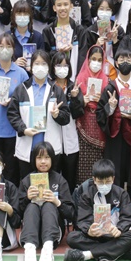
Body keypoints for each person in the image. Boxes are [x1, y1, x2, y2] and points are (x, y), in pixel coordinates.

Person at [8, 50, 70, 179]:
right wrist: (23, 129)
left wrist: (57, 115)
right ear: (31, 66)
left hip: (50, 150)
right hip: (28, 149)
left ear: (49, 67)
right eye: (37, 63)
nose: (40, 67)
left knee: (50, 186)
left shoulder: (56, 90)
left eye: (44, 63)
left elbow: (66, 117)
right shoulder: (22, 89)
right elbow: (12, 114)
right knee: (28, 186)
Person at [64, 159, 131, 261]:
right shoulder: (86, 195)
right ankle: (122, 252)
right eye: (100, 181)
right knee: (72, 238)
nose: (104, 185)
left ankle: (87, 255)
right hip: (94, 237)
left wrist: (119, 229)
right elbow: (83, 219)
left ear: (113, 179)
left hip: (114, 236)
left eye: (107, 181)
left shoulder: (121, 194)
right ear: (94, 180)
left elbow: (128, 217)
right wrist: (89, 230)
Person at [96, 49, 131, 205]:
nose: (125, 62)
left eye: (129, 59)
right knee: (114, 173)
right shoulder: (110, 88)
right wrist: (111, 108)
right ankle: (114, 208)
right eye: (122, 59)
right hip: (115, 138)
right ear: (116, 63)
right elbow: (99, 114)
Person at [0, 33, 30, 185]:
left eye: (8, 46)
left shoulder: (21, 73)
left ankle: (10, 198)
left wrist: (12, 102)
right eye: (1, 46)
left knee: (11, 172)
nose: (4, 50)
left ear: (14, 49)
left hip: (12, 130)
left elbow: (27, 102)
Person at [17, 142, 75, 261]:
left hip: (53, 234)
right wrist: (27, 199)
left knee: (48, 205)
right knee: (32, 206)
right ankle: (30, 250)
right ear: (34, 160)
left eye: (47, 157)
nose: (43, 161)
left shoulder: (60, 181)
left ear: (52, 159)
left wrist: (56, 202)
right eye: (39, 158)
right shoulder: (27, 181)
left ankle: (47, 251)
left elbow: (71, 213)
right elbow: (17, 215)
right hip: (31, 231)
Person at [74, 46, 111, 184]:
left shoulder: (106, 81)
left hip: (99, 125)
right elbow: (74, 106)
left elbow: (109, 107)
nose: (96, 63)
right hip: (83, 124)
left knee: (98, 161)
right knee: (83, 162)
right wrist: (83, 101)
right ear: (88, 60)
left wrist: (101, 100)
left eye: (99, 60)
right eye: (93, 59)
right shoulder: (80, 78)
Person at [49, 52, 84, 188]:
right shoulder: (49, 87)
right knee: (53, 178)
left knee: (70, 179)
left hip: (70, 140)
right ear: (53, 67)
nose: (62, 69)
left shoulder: (73, 86)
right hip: (53, 138)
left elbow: (77, 113)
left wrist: (74, 98)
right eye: (59, 65)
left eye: (65, 66)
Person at [41, 0, 91, 80]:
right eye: (59, 5)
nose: (63, 8)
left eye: (66, 4)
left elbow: (83, 56)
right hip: (54, 79)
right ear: (54, 8)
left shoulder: (79, 30)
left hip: (74, 77)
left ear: (71, 6)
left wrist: (78, 78)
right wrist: (57, 51)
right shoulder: (48, 31)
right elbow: (45, 56)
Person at [87, 0, 124, 69]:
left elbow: (122, 56)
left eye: (108, 9)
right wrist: (96, 46)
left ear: (112, 11)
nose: (104, 12)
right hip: (96, 69)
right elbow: (86, 56)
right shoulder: (90, 31)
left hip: (113, 69)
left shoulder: (118, 30)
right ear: (97, 10)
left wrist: (115, 40)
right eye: (101, 9)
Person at [11, 0, 45, 70]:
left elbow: (43, 61)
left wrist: (33, 67)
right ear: (14, 16)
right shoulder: (8, 37)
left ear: (30, 16)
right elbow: (2, 62)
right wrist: (13, 65)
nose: (22, 16)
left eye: (25, 14)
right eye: (19, 14)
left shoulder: (38, 37)